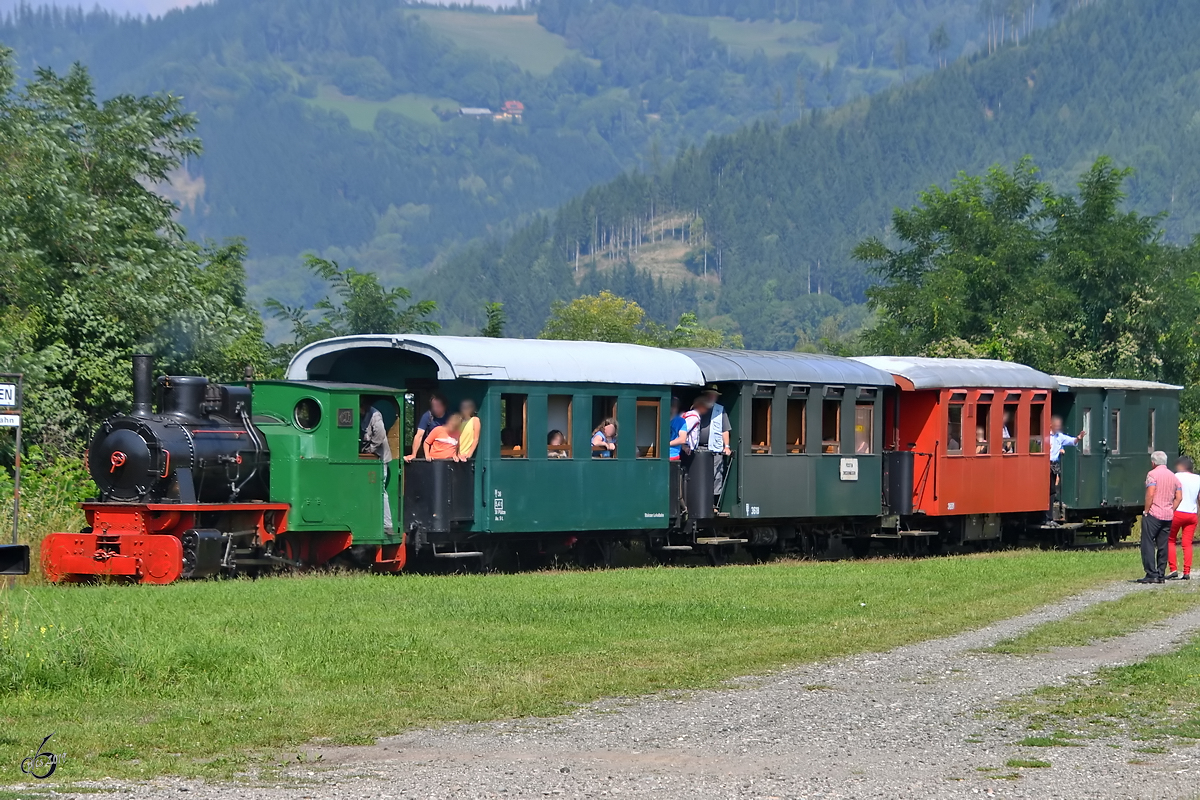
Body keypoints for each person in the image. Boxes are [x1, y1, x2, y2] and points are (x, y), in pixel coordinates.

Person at [1139, 450, 1180, 584]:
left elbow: (1150, 493)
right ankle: (1161, 573)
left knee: (1148, 543)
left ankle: (1151, 573)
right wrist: (1171, 509)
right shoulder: (1174, 477)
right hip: (1168, 516)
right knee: (1163, 545)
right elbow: (1179, 497)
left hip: (1154, 514)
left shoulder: (1152, 474)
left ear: (1153, 462)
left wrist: (1146, 510)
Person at [359, 396, 394, 536]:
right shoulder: (362, 416)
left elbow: (380, 435)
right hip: (371, 459)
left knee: (380, 491)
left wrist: (370, 449)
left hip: (379, 458)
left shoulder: (375, 415)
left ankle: (388, 525)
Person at [697, 385, 732, 509]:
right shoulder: (697, 408)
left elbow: (725, 430)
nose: (711, 397)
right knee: (699, 475)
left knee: (716, 476)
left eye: (713, 395)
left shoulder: (720, 410)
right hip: (699, 448)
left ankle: (713, 503)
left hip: (715, 449)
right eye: (709, 394)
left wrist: (726, 446)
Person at [1045, 415, 1085, 525]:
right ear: (1051, 425)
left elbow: (1072, 441)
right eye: (1056, 425)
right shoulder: (1045, 436)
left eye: (1059, 425)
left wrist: (1078, 438)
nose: (1058, 427)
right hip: (1044, 464)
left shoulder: (1059, 436)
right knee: (1046, 490)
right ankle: (1045, 516)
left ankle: (1049, 517)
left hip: (1053, 465)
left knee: (1052, 490)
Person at [1168, 455, 1198, 580]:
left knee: (1170, 540)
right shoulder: (1198, 478)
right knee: (1187, 543)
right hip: (1192, 514)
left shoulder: (1176, 476)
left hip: (1178, 512)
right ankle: (1187, 571)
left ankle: (1173, 569)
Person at [405, 394, 448, 462]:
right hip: (431, 454)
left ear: (444, 406)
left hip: (447, 454)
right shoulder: (427, 416)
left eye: (437, 406)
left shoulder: (451, 417)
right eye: (433, 406)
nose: (435, 409)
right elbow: (419, 435)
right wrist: (413, 454)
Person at [668, 397, 687, 462]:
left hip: (673, 455)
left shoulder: (681, 421)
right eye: (671, 405)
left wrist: (666, 444)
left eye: (675, 406)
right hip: (659, 455)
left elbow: (682, 439)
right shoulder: (659, 418)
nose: (673, 408)